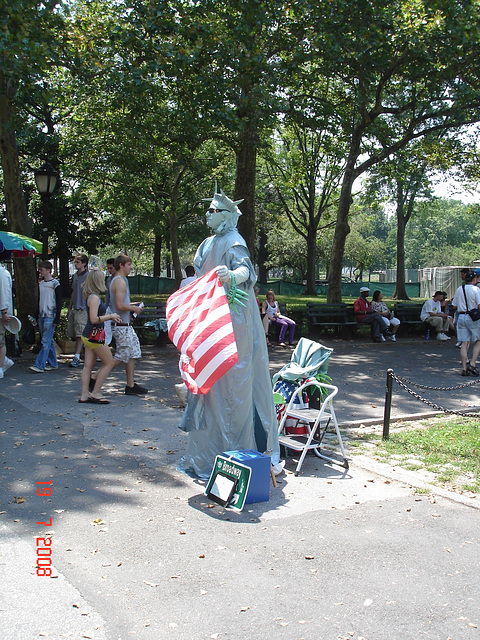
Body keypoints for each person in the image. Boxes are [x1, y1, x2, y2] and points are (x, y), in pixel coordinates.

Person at [177, 187, 281, 479]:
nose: (207, 215)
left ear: (226, 215)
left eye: (213, 211)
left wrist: (231, 276)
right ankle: (209, 453)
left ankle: (240, 451)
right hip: (212, 316)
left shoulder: (235, 240)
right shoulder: (207, 243)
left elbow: (245, 271)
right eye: (208, 210)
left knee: (235, 381)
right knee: (213, 383)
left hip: (234, 321)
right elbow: (199, 277)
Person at [78, 269, 122, 403]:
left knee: (88, 365)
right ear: (97, 281)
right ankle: (96, 392)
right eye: (102, 279)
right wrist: (110, 316)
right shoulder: (95, 298)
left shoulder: (92, 296)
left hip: (88, 335)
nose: (104, 281)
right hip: (94, 336)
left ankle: (84, 394)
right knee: (109, 363)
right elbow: (93, 319)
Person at [109, 254, 148, 395]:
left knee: (132, 353)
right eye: (129, 265)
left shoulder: (122, 280)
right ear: (121, 265)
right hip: (120, 326)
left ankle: (130, 385)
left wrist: (133, 305)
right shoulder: (119, 282)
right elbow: (119, 305)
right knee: (123, 355)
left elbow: (120, 303)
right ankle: (94, 378)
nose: (131, 267)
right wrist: (134, 309)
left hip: (125, 324)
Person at [29, 261, 62, 373]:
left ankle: (40, 364)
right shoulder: (41, 284)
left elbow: (59, 302)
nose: (40, 271)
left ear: (48, 270)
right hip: (42, 315)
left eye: (42, 269)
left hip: (50, 315)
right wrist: (35, 315)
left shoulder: (55, 284)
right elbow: (40, 300)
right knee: (48, 340)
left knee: (45, 341)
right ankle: (53, 363)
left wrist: (57, 318)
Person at [451, 270, 480, 376]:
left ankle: (464, 368)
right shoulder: (476, 289)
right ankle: (472, 364)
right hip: (473, 317)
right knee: (478, 340)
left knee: (464, 342)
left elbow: (454, 305)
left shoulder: (460, 289)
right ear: (474, 279)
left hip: (461, 316)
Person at [66, 253, 89, 367]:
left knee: (80, 334)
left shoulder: (88, 276)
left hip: (83, 308)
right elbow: (73, 292)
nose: (75, 264)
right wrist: (70, 307)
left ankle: (76, 356)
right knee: (76, 333)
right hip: (75, 307)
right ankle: (87, 354)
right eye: (75, 262)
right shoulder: (75, 276)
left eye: (77, 262)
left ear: (84, 263)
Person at [0, 261, 14, 379]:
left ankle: (1, 367)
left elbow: (4, 294)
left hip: (1, 314)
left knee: (0, 342)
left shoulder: (2, 274)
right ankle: (4, 361)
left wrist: (4, 312)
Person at [103, 258, 116, 346]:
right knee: (106, 325)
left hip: (118, 308)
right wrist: (105, 307)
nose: (109, 270)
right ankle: (106, 344)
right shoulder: (109, 280)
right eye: (108, 268)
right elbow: (107, 295)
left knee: (118, 328)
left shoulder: (121, 280)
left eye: (111, 268)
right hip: (110, 307)